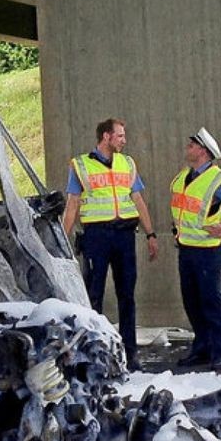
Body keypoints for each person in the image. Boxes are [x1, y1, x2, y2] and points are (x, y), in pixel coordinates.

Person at [62, 117, 159, 371]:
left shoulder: (127, 163)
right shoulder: (81, 165)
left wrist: (150, 234)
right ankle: (93, 351)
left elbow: (137, 199)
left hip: (125, 235)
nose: (124, 141)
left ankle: (130, 352)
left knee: (127, 294)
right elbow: (72, 204)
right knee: (94, 295)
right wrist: (63, 240)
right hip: (96, 236)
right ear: (106, 136)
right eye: (120, 136)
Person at [170, 127, 221, 369]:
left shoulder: (219, 180)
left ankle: (218, 351)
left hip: (208, 249)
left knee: (210, 300)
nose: (187, 148)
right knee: (192, 300)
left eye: (192, 145)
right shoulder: (183, 176)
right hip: (186, 247)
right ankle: (201, 349)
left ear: (203, 151)